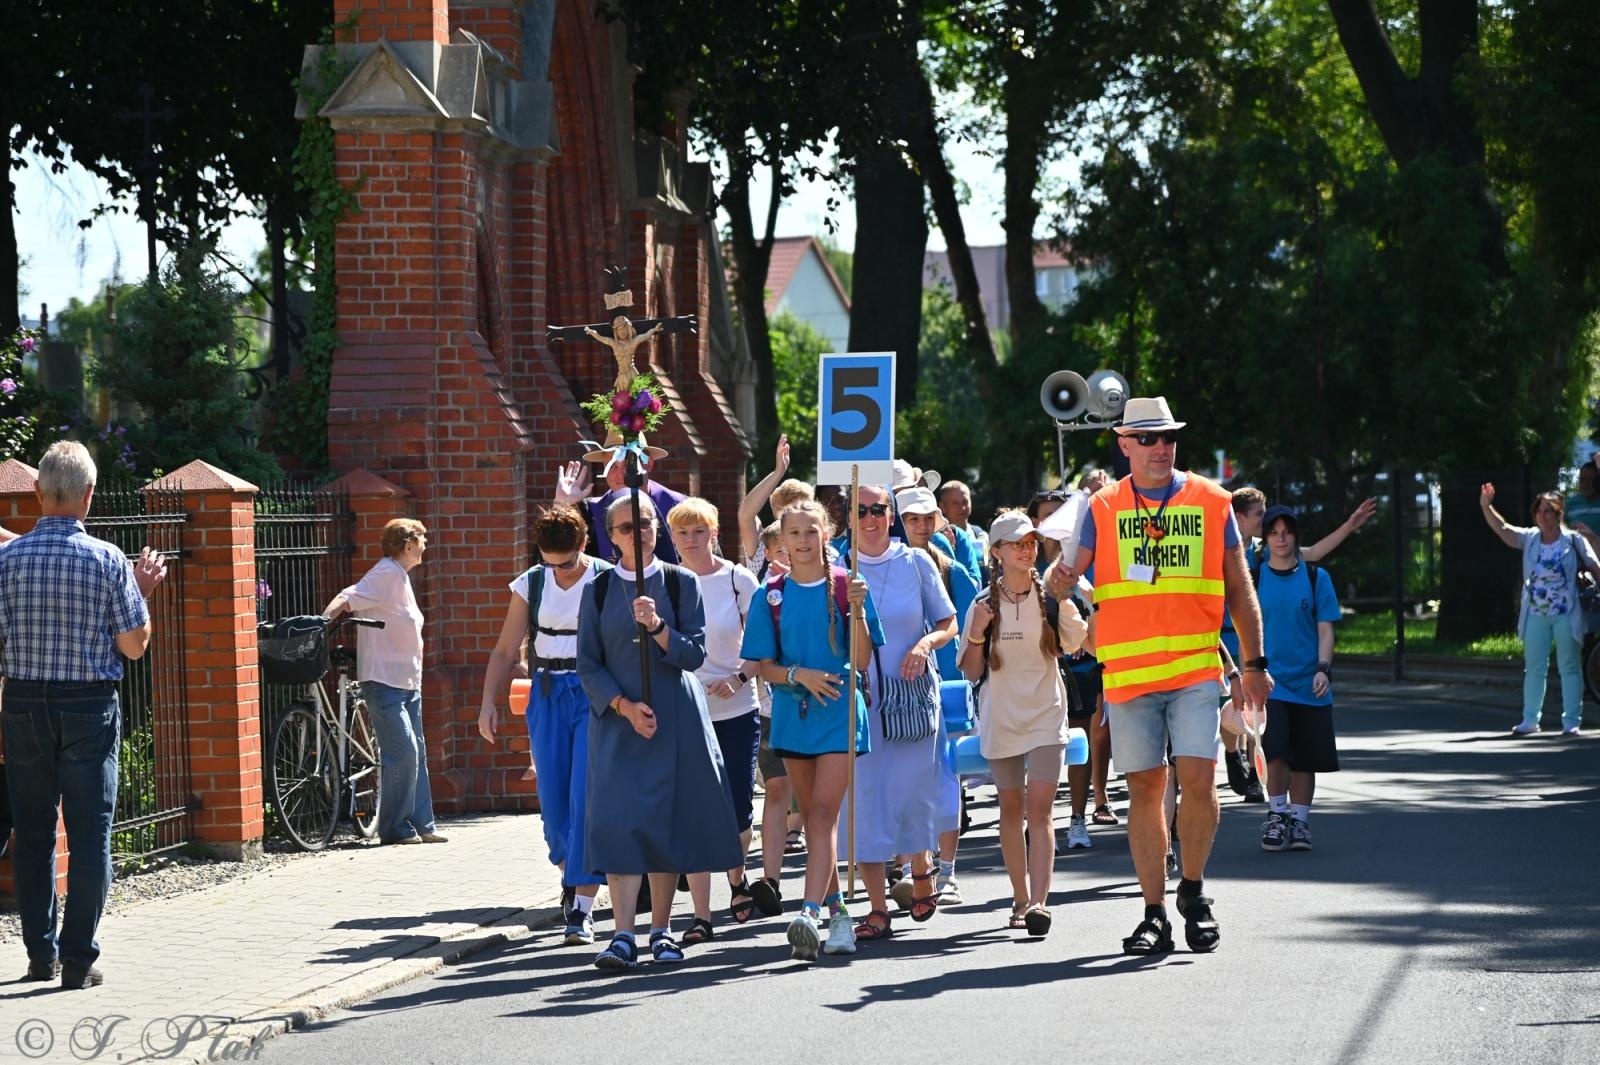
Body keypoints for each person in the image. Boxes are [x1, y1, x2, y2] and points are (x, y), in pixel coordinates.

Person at [1049, 396, 1270, 956]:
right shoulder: (1102, 506)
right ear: (1124, 444)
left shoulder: (1212, 500)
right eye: (1147, 438)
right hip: (1129, 675)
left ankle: (1193, 890)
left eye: (1168, 436)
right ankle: (1154, 912)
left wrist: (1254, 664)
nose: (1161, 447)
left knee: (1198, 779)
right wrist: (1058, 580)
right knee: (1146, 790)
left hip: (1195, 669)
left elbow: (1239, 587)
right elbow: (1066, 575)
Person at [0, 440, 168, 989]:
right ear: (90, 494)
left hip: (23, 702)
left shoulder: (7, 560)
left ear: (37, 491)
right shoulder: (108, 560)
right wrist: (141, 596)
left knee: (32, 832)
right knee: (90, 835)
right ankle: (77, 960)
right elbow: (134, 646)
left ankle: (39, 955)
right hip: (88, 705)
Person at [577, 494, 742, 969]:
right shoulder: (599, 589)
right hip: (618, 721)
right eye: (627, 527)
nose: (639, 533)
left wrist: (657, 626)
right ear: (612, 536)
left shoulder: (680, 582)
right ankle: (622, 934)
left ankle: (662, 930)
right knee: (620, 821)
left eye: (646, 523)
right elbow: (587, 663)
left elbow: (694, 654)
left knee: (665, 822)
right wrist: (624, 706)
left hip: (675, 718)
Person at [740, 499, 881, 960]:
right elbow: (762, 665)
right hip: (792, 717)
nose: (803, 540)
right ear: (781, 539)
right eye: (794, 532)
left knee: (821, 816)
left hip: (840, 715)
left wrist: (858, 611)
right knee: (820, 826)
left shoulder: (847, 586)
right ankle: (839, 916)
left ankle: (808, 913)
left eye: (811, 531)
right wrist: (799, 674)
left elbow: (862, 659)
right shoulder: (770, 595)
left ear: (827, 534)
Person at [476, 505, 609, 945]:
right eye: (551, 564)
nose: (559, 572)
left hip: (592, 693)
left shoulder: (606, 578)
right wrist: (487, 704)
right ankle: (570, 877)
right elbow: (504, 650)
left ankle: (582, 908)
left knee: (586, 798)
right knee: (553, 807)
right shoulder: (532, 582)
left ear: (583, 545)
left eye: (566, 564)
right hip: (547, 694)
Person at [840, 482, 958, 943]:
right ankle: (876, 907)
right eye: (860, 510)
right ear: (849, 518)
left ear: (891, 514)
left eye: (878, 509)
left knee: (914, 791)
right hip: (862, 700)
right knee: (867, 798)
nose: (870, 518)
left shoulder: (916, 562)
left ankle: (922, 867)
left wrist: (925, 645)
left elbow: (948, 622)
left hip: (911, 694)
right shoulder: (837, 569)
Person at [959, 511, 1087, 935]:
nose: (1026, 549)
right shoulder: (982, 603)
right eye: (1016, 543)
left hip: (1047, 712)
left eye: (1031, 542)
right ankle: (1019, 897)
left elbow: (1081, 643)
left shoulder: (1050, 596)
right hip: (1002, 716)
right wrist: (977, 632)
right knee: (1011, 810)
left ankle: (1038, 903)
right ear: (996, 552)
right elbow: (971, 671)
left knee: (1041, 810)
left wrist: (1071, 600)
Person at [665, 497, 762, 942]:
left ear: (714, 534)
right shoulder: (666, 582)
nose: (691, 540)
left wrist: (739, 677)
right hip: (686, 713)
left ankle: (737, 879)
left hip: (737, 708)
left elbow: (763, 645)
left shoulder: (738, 580)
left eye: (699, 531)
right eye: (682, 533)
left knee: (738, 808)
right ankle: (701, 916)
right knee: (694, 810)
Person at [324, 518, 446, 847]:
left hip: (407, 681)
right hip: (383, 681)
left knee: (417, 753)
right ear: (408, 545)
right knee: (403, 752)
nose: (426, 545)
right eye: (422, 540)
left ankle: (422, 824)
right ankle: (394, 828)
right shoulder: (386, 573)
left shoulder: (401, 576)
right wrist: (321, 623)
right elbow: (347, 597)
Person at [897, 485, 980, 905]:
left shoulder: (954, 571)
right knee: (905, 784)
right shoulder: (884, 567)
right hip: (897, 692)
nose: (920, 526)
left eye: (927, 518)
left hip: (945, 692)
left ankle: (947, 872)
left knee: (946, 783)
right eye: (911, 518)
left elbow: (970, 633)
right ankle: (913, 868)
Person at [1252, 506, 1342, 852]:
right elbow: (1246, 631)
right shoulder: (1254, 578)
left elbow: (1325, 630)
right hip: (1270, 682)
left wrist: (1323, 668)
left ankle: (1300, 822)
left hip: (1309, 682)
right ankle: (1276, 816)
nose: (1281, 538)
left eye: (1287, 532)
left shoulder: (1317, 577)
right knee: (1276, 752)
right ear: (1265, 538)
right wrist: (1249, 672)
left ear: (1295, 536)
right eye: (1273, 532)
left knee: (1306, 757)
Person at [1480, 483, 1600, 736]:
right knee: (1534, 668)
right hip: (1535, 613)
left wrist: (1592, 540)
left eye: (1548, 511)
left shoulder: (1574, 539)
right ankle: (1530, 720)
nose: (1543, 516)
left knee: (1569, 666)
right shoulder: (1531, 538)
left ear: (1558, 513)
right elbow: (1504, 529)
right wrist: (1486, 506)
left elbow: (1595, 567)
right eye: (1539, 511)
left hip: (1567, 612)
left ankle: (1571, 721)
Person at [554, 460, 687, 565]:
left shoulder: (679, 506)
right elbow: (557, 559)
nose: (621, 474)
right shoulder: (590, 512)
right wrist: (561, 506)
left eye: (628, 465)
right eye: (612, 466)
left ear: (649, 463)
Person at [937, 480, 988, 563]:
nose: (962, 507)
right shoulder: (935, 539)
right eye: (955, 503)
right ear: (942, 507)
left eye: (965, 502)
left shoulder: (981, 535)